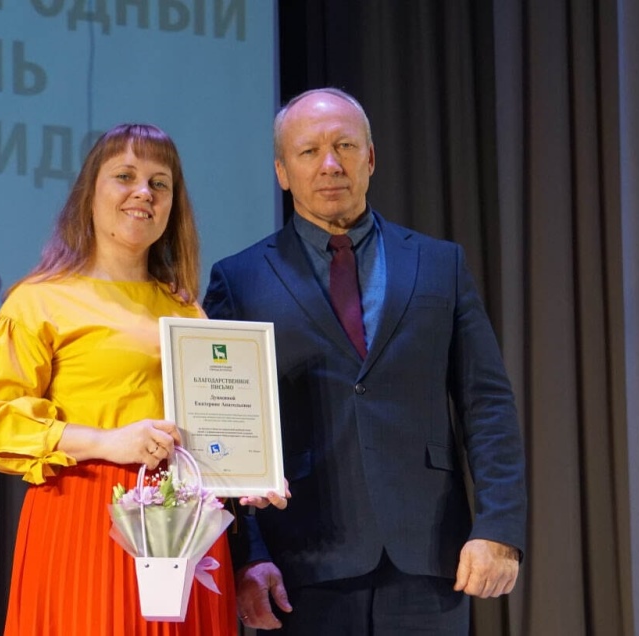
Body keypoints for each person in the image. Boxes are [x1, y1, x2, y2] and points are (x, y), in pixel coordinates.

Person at [202, 88, 527, 634]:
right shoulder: (239, 280)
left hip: (430, 561)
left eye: (345, 146)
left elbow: (487, 404)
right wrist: (248, 554)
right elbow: (223, 432)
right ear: (282, 172)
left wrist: (499, 527)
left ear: (370, 158)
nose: (330, 164)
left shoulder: (439, 263)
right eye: (309, 152)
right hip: (299, 569)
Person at [0, 123, 284, 636]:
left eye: (160, 183)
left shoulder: (186, 311)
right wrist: (107, 442)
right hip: (86, 518)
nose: (143, 193)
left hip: (185, 523)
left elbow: (210, 428)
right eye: (125, 176)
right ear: (89, 193)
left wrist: (248, 475)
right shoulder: (40, 300)